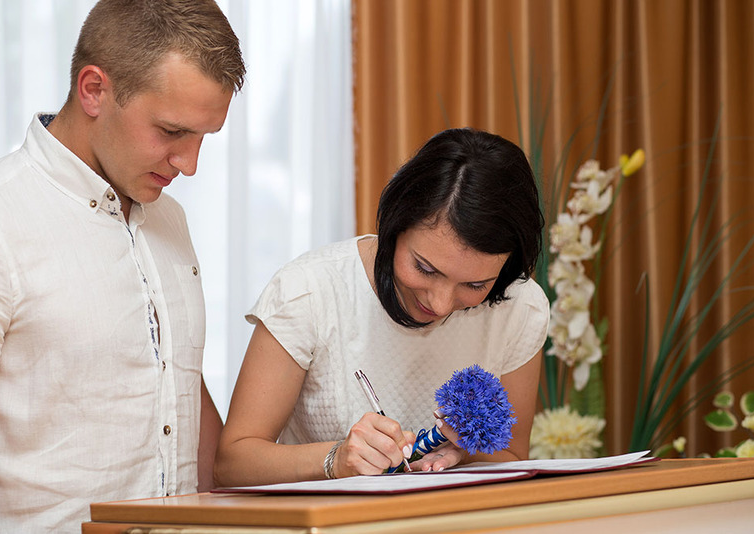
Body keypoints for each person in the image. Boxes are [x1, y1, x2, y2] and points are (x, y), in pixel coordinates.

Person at [0, 0, 245, 531]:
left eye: (203, 137)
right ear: (93, 90)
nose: (190, 164)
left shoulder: (168, 219)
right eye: (172, 131)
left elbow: (179, 396)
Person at [215, 128, 549, 486]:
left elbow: (512, 456)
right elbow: (233, 463)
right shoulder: (308, 291)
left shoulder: (520, 308)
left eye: (474, 285)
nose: (439, 303)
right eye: (425, 268)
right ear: (395, 224)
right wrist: (335, 460)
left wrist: (463, 452)